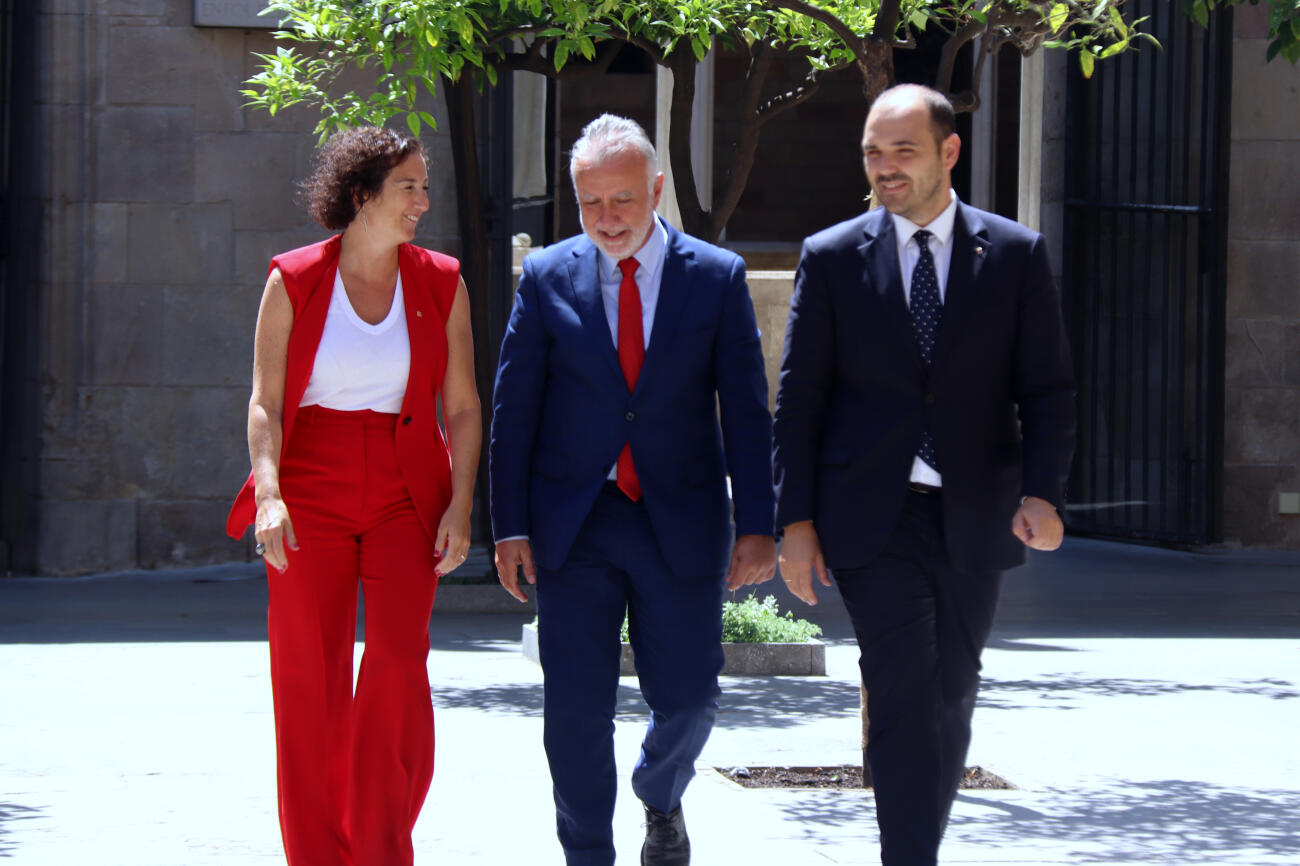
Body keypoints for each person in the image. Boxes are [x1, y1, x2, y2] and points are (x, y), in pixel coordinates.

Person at [773, 84, 1077, 865]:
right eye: (873, 152)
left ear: (949, 151)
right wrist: (795, 523)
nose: (884, 168)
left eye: (902, 151)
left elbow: (1045, 386)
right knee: (904, 688)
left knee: (952, 693)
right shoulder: (834, 257)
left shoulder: (1012, 254)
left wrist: (1043, 492)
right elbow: (800, 397)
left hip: (976, 512)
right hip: (873, 515)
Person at [489, 114, 776, 866]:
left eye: (621, 200)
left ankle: (659, 790)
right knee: (574, 713)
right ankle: (587, 853)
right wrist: (508, 525)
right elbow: (513, 409)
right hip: (574, 528)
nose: (607, 219)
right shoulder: (548, 275)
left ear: (654, 189)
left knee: (689, 697)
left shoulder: (715, 278)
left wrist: (759, 525)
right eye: (590, 203)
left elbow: (746, 410)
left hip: (677, 521)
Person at [225, 126, 481, 866]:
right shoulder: (295, 279)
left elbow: (461, 407)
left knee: (399, 662)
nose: (423, 202)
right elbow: (264, 402)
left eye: (426, 186)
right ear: (362, 195)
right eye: (409, 186)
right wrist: (268, 491)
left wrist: (461, 505)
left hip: (408, 488)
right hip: (309, 489)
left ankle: (378, 843)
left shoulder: (440, 280)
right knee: (310, 675)